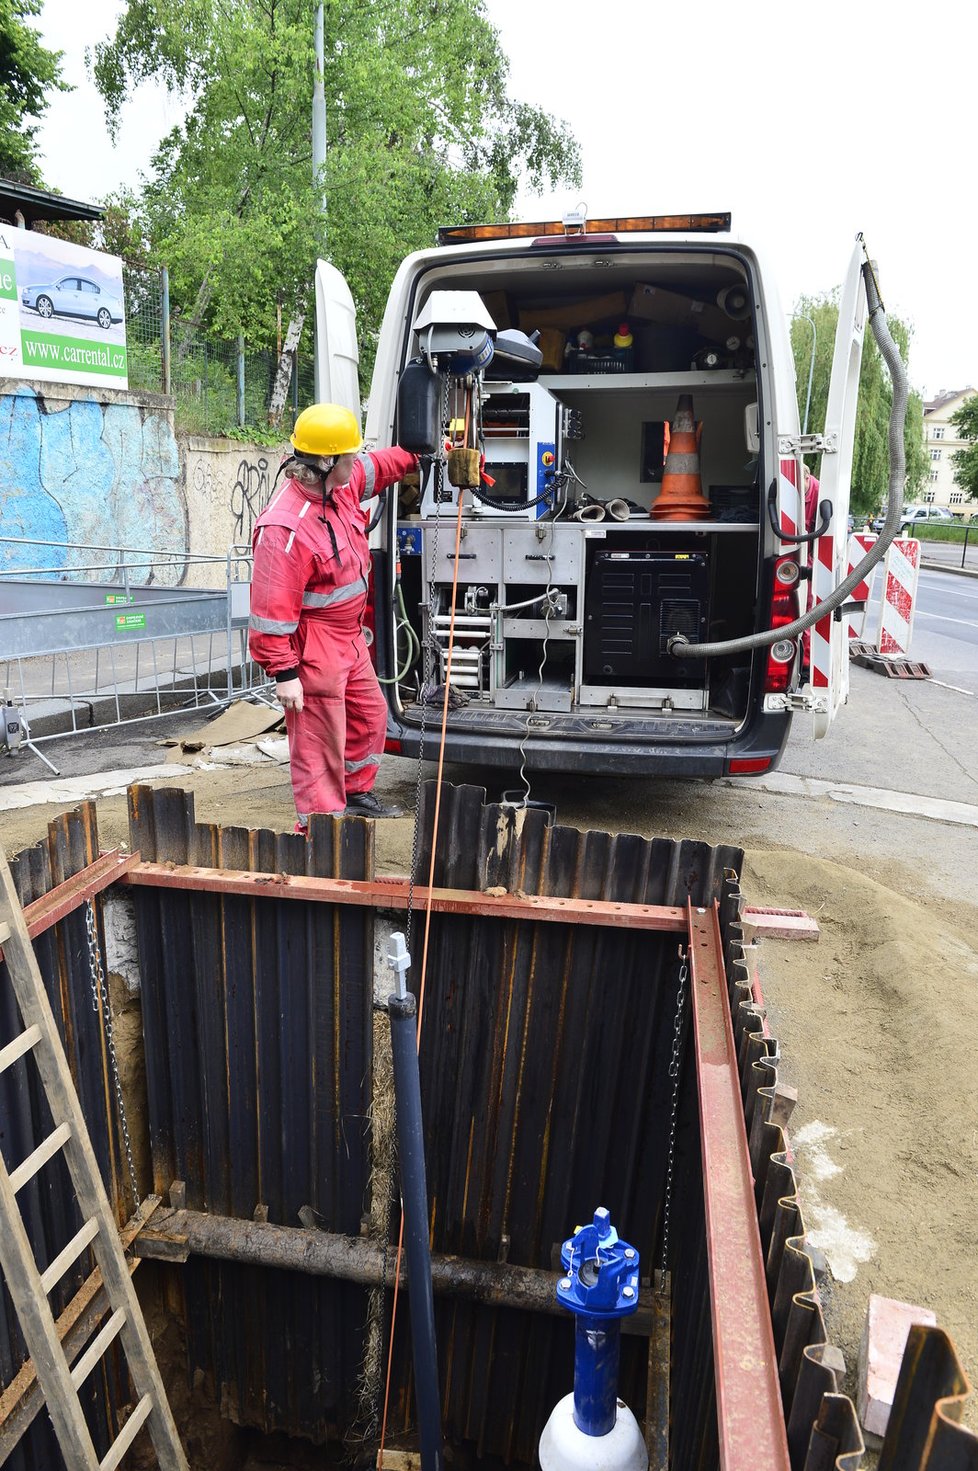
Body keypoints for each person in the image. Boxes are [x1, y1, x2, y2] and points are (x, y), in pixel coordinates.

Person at [248, 402, 418, 826]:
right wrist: (285, 675)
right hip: (315, 643)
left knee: (370, 715)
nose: (356, 461)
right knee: (318, 739)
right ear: (326, 461)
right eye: (349, 455)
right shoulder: (284, 529)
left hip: (347, 635)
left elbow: (377, 468)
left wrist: (420, 453)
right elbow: (270, 613)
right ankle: (321, 827)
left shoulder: (338, 486)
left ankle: (354, 791)